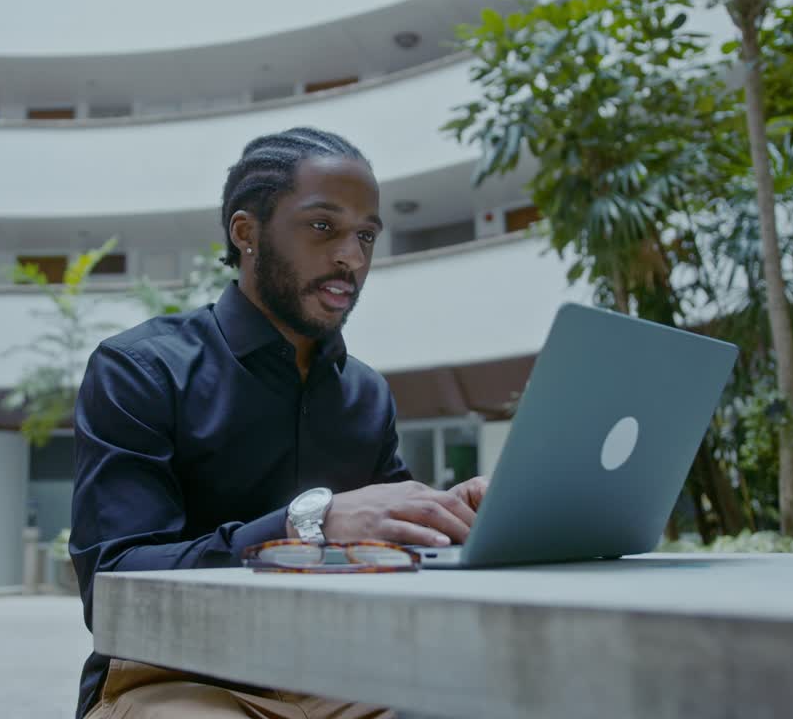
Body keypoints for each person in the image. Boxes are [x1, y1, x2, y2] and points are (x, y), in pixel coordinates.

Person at [70, 127, 489, 719]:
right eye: (323, 226)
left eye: (366, 235)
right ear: (246, 233)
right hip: (174, 676)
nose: (352, 257)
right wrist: (306, 526)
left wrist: (449, 518)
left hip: (337, 671)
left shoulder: (367, 393)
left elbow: (390, 556)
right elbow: (112, 585)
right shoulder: (141, 369)